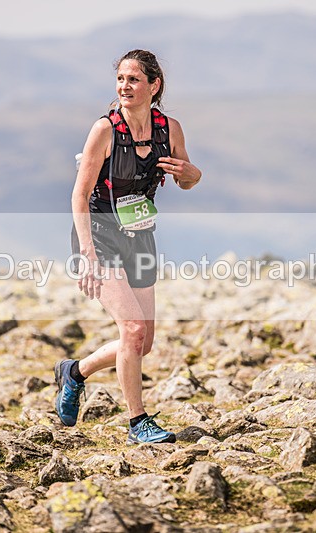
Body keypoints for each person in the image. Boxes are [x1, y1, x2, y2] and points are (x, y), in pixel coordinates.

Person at [56, 50, 202, 444]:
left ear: (154, 86)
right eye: (121, 78)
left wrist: (193, 174)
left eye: (134, 79)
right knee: (132, 328)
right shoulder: (104, 130)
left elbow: (186, 177)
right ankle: (139, 422)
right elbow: (79, 195)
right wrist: (87, 252)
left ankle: (74, 372)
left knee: (142, 342)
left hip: (139, 233)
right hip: (99, 233)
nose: (124, 86)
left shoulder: (168, 129)